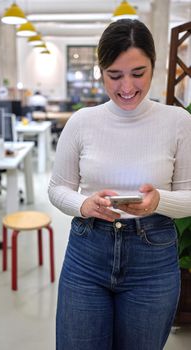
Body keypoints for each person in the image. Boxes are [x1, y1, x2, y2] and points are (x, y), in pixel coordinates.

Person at [48, 19, 191, 350]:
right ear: (101, 72)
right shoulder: (82, 122)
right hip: (88, 253)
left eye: (138, 73)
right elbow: (57, 188)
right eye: (115, 75)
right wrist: (83, 204)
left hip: (153, 258)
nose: (127, 86)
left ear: (154, 66)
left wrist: (159, 202)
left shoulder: (178, 123)